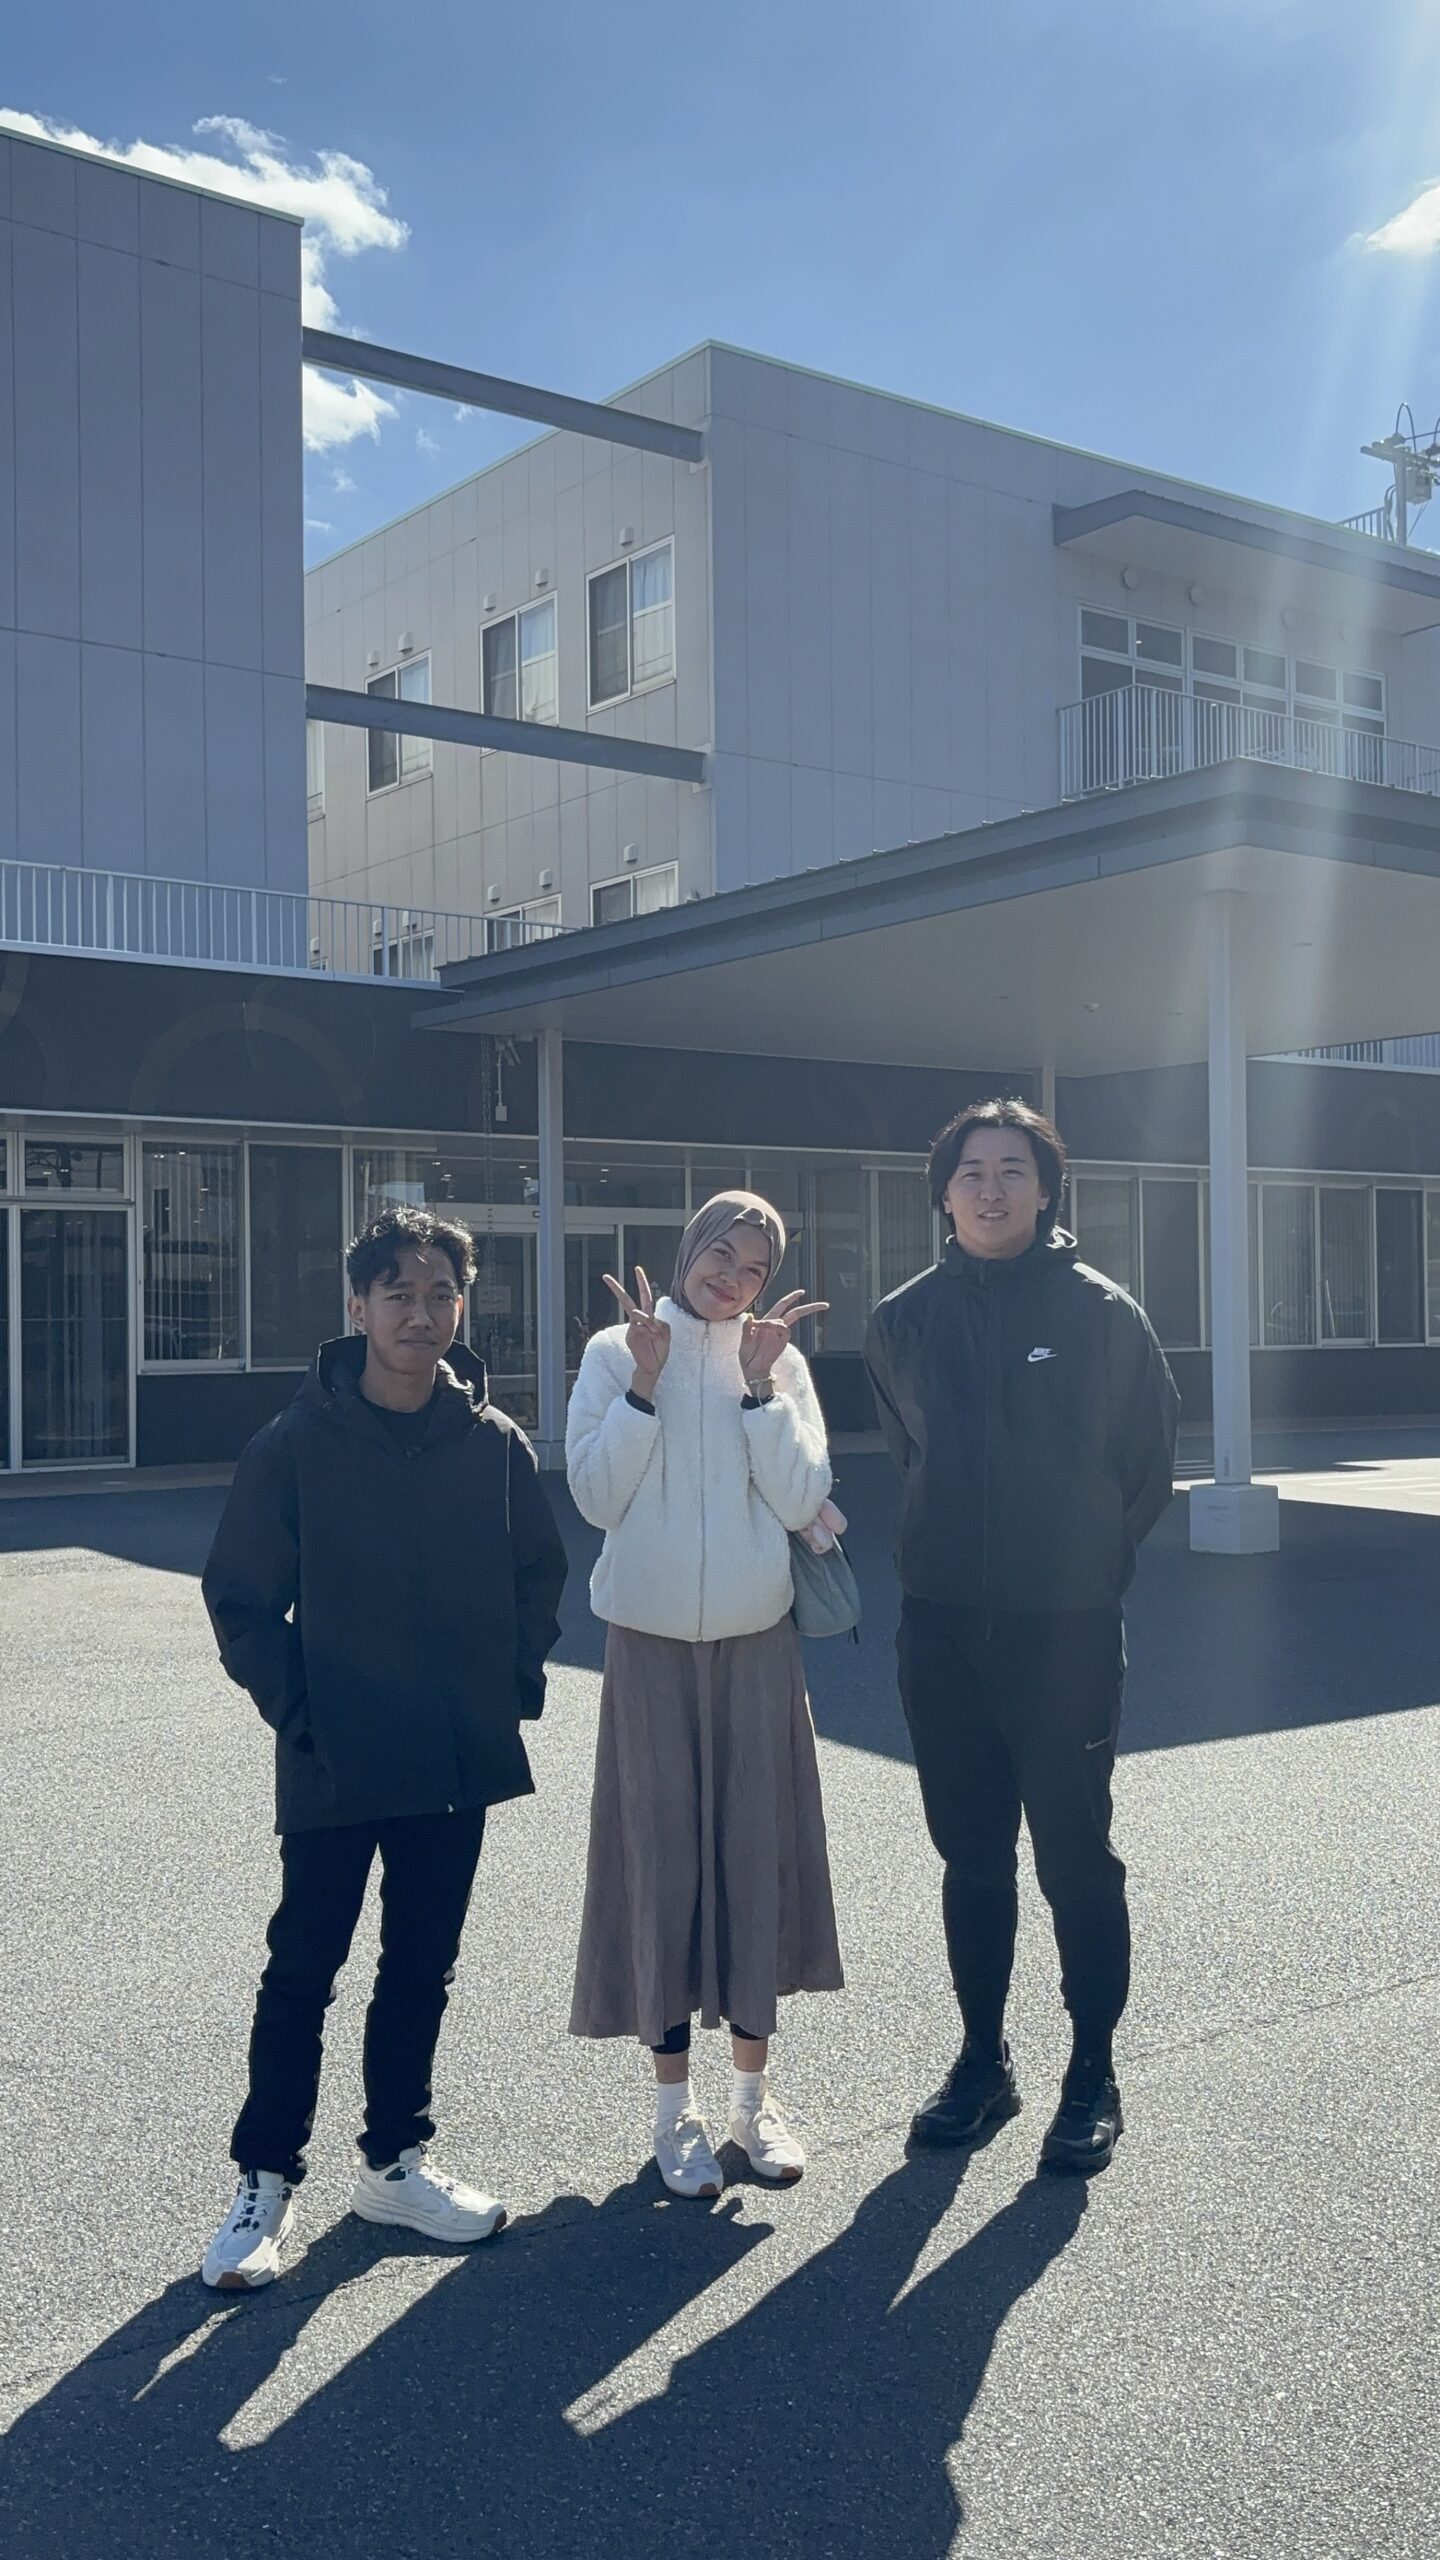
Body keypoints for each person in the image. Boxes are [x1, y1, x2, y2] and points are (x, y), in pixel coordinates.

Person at [198, 1207, 567, 2289]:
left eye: (442, 1292)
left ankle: (395, 2164)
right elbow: (241, 1597)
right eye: (399, 1292)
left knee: (420, 1967)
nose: (422, 1313)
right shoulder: (296, 1443)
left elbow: (538, 1576)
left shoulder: (492, 1443)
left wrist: (505, 1690)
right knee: (302, 1968)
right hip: (336, 1756)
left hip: (453, 1758)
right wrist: (305, 1712)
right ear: (356, 1306)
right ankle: (265, 2179)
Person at [864, 1099, 1177, 2173]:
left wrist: (1079, 1564)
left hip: (1065, 1634)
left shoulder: (1101, 1313)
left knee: (1076, 1858)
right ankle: (982, 2060)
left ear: (1046, 1190)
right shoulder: (902, 1319)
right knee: (971, 1856)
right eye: (971, 1171)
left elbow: (1145, 1468)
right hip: (943, 1630)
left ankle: (1092, 2069)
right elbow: (910, 1453)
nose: (990, 1188)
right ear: (943, 1193)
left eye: (1012, 1169)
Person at [566, 1192, 844, 2199]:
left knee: (754, 1856)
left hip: (756, 1640)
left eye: (755, 1266)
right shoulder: (615, 1352)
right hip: (645, 1645)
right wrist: (644, 1385)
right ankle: (671, 2110)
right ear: (688, 1249)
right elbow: (595, 1496)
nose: (732, 1277)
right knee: (661, 1864)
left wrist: (762, 1390)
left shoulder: (777, 1360)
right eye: (721, 1253)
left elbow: (803, 1496)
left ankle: (752, 2102)